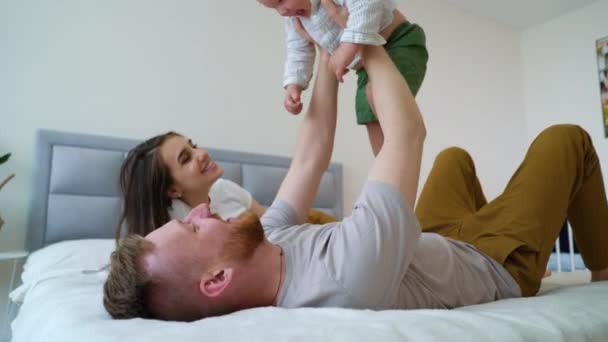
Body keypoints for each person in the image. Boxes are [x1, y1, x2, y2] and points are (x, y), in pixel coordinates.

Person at [104, 45, 608, 322]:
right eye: (192, 230)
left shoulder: (261, 241)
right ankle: (603, 270)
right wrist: (361, 36)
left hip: (428, 243)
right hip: (490, 262)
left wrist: (324, 48)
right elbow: (406, 134)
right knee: (568, 140)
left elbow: (311, 153)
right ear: (216, 281)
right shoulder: (345, 276)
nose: (198, 213)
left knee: (455, 160)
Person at [257, 0, 428, 156]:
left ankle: (406, 137)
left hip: (399, 42)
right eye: (274, 8)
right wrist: (294, 85)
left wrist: (348, 46)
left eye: (281, 0)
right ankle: (389, 167)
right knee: (369, 115)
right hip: (365, 68)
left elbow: (368, 4)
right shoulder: (295, 18)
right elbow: (297, 50)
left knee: (376, 96)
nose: (283, 11)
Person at [116, 133, 335, 239]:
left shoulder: (225, 188)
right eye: (186, 158)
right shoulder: (177, 228)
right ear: (173, 191)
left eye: (194, 147)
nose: (202, 154)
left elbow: (268, 218)